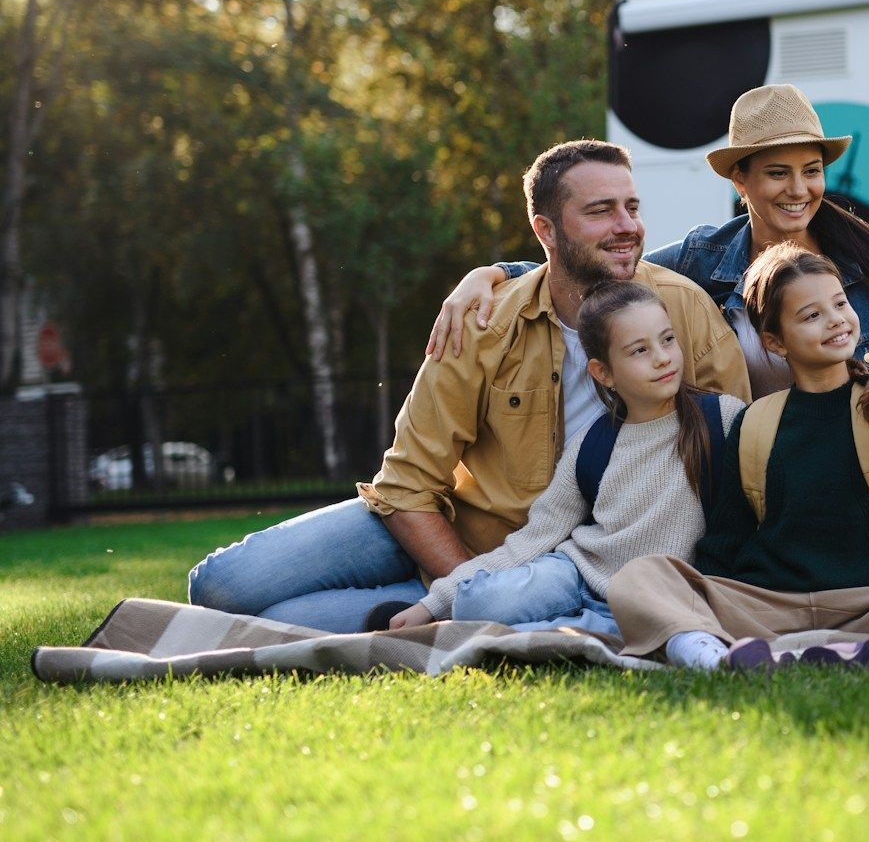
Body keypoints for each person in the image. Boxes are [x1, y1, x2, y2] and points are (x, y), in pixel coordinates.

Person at [429, 85, 869, 586]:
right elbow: (607, 270)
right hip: (762, 469)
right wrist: (494, 274)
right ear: (739, 179)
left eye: (812, 169)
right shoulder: (702, 260)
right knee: (780, 594)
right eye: (778, 172)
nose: (799, 189)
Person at [185, 141, 750, 632]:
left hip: (564, 565)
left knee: (273, 624)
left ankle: (413, 608)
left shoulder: (681, 308)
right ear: (544, 230)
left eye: (631, 207)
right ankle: (425, 603)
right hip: (458, 535)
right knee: (219, 589)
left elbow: (734, 456)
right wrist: (461, 590)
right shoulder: (483, 320)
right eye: (601, 211)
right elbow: (407, 482)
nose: (627, 226)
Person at [609, 242, 869, 671]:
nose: (836, 319)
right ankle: (713, 658)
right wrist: (701, 598)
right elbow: (725, 541)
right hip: (769, 605)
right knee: (641, 578)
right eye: (811, 315)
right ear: (775, 341)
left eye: (840, 303)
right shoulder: (755, 422)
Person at [381, 280, 745, 636]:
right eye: (639, 351)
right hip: (576, 574)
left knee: (643, 618)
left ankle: (568, 630)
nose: (663, 358)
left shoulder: (722, 419)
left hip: (655, 590)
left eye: (667, 340)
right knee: (479, 603)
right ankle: (565, 628)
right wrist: (432, 603)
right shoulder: (593, 445)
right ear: (603, 373)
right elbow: (533, 539)